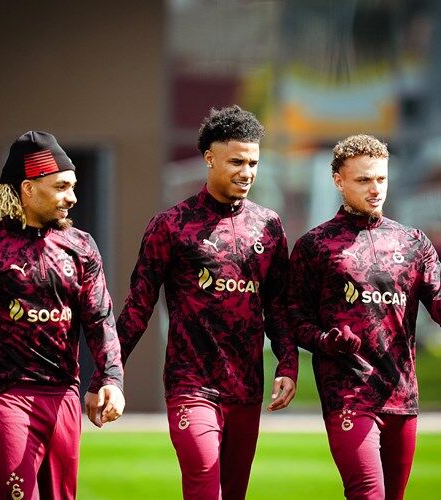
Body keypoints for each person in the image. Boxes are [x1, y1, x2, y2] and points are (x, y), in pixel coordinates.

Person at [0, 131, 125, 500]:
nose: (72, 197)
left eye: (73, 186)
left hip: (63, 395)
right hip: (5, 396)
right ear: (28, 189)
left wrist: (111, 379)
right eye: (61, 187)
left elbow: (100, 320)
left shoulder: (81, 247)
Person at [116, 105, 298, 499]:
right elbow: (138, 306)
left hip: (247, 388)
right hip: (191, 384)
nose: (246, 172)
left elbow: (278, 306)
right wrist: (109, 374)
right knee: (203, 483)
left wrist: (288, 363)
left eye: (253, 163)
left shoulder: (269, 226)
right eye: (236, 161)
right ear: (210, 158)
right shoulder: (170, 225)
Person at [288, 134, 441, 500]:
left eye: (381, 178)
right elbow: (294, 317)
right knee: (367, 494)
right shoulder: (314, 246)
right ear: (338, 180)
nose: (375, 188)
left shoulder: (413, 242)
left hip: (402, 393)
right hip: (348, 392)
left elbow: (440, 296)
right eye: (364, 179)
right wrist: (326, 341)